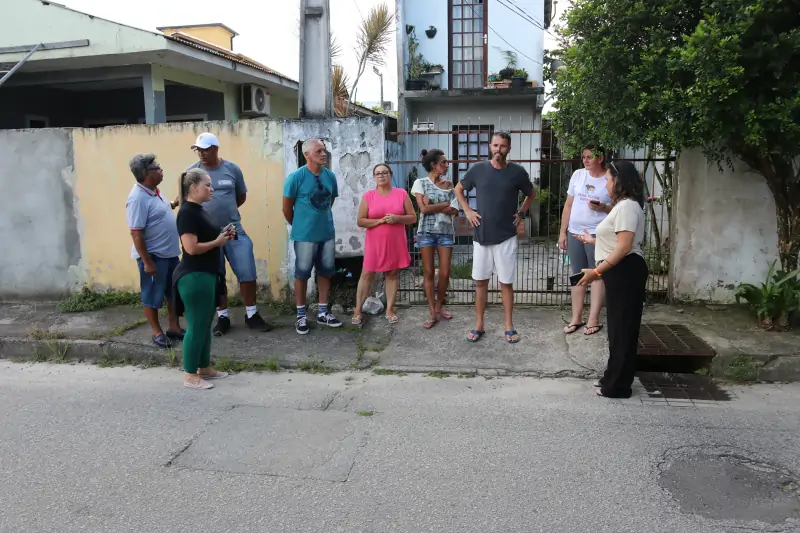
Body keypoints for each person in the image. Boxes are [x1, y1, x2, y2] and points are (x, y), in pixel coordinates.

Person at [187, 132, 273, 336]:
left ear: (216, 149)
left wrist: (227, 211)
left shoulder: (232, 169)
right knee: (217, 277)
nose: (201, 154)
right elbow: (188, 202)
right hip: (208, 236)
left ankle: (252, 314)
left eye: (205, 149)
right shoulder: (192, 173)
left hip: (233, 231)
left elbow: (240, 196)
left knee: (247, 271)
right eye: (198, 150)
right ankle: (223, 317)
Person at [454, 132, 536, 344]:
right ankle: (479, 324)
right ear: (490, 146)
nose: (499, 149)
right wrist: (468, 212)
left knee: (505, 283)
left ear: (509, 149)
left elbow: (531, 193)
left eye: (503, 146)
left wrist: (521, 213)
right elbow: (459, 189)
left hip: (506, 236)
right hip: (481, 235)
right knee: (480, 282)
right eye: (496, 145)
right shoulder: (478, 169)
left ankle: (508, 326)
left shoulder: (517, 172)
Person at [577, 160, 648, 399]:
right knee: (618, 329)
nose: (605, 184)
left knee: (623, 330)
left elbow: (625, 247)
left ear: (618, 181)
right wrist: (593, 242)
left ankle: (618, 386)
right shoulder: (624, 206)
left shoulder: (627, 206)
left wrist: (595, 272)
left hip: (626, 270)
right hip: (621, 269)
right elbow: (616, 244)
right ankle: (613, 378)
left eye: (607, 179)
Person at [173, 168, 232, 390]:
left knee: (205, 323)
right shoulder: (187, 213)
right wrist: (217, 243)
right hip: (194, 276)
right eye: (207, 185)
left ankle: (203, 367)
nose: (211, 189)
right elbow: (191, 248)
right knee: (197, 325)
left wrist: (222, 236)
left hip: (207, 274)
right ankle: (190, 374)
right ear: (193, 187)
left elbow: (208, 238)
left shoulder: (198, 210)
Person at [282, 139, 343, 335]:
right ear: (307, 155)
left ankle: (323, 312)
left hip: (326, 233)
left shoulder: (330, 176)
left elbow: (330, 199)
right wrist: (301, 225)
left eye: (324, 150)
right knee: (302, 274)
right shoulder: (296, 178)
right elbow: (286, 208)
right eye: (318, 151)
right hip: (304, 236)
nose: (323, 154)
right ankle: (301, 315)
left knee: (325, 272)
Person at [126, 153, 183, 349]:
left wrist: (174, 204)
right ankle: (157, 332)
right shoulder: (137, 198)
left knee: (173, 292)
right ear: (145, 173)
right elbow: (136, 233)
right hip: (154, 257)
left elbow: (159, 212)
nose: (161, 170)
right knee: (152, 296)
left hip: (169, 254)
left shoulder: (154, 191)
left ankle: (174, 327)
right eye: (157, 168)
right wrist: (148, 262)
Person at [351, 164, 416, 325]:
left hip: (395, 241)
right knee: (367, 274)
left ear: (390, 174)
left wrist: (397, 218)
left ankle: (390, 309)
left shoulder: (401, 194)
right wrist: (379, 221)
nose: (381, 175)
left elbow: (413, 217)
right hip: (374, 242)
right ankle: (357, 309)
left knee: (392, 274)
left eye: (384, 172)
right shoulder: (369, 196)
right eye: (378, 173)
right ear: (374, 177)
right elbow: (360, 221)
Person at [558, 145, 613, 336]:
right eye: (584, 157)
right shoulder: (578, 175)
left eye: (590, 157)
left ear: (600, 158)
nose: (585, 160)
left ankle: (594, 319)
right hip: (575, 232)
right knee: (577, 275)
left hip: (598, 234)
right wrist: (562, 232)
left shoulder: (609, 177)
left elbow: (617, 207)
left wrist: (603, 208)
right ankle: (576, 318)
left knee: (596, 274)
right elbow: (568, 205)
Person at [411, 149, 459, 329]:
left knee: (445, 273)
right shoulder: (420, 183)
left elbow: (455, 211)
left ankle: (439, 306)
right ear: (433, 165)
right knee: (429, 272)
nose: (447, 165)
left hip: (446, 232)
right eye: (444, 162)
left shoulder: (449, 184)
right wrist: (444, 204)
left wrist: (434, 205)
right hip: (426, 233)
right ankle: (432, 311)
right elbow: (423, 210)